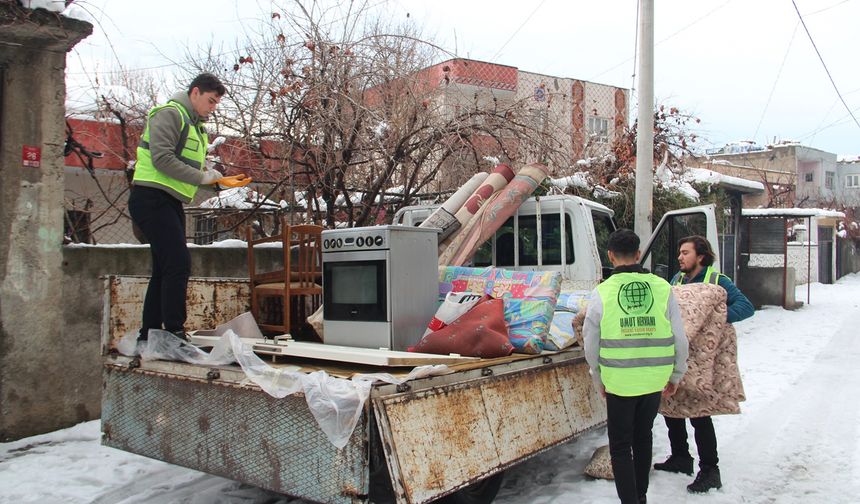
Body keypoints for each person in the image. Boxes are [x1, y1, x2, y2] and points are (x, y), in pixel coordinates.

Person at [583, 229, 689, 504]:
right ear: (639, 254)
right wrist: (677, 373)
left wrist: (598, 378)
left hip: (619, 381)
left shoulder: (602, 293)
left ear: (610, 256)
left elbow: (590, 342)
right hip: (655, 379)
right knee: (643, 437)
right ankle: (640, 495)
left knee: (620, 445)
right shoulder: (663, 288)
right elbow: (680, 336)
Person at [128, 73, 234, 342]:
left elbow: (188, 169)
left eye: (216, 104)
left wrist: (217, 182)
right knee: (178, 263)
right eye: (210, 101)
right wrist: (203, 177)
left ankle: (149, 334)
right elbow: (162, 159)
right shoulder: (170, 114)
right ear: (195, 92)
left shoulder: (196, 126)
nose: (212, 107)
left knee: (165, 268)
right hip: (151, 197)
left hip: (168, 199)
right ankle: (174, 331)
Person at [653, 235, 754, 493]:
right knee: (671, 403)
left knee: (699, 412)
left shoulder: (718, 281)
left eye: (685, 253)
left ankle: (710, 469)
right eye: (679, 253)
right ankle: (680, 457)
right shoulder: (676, 280)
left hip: (703, 360)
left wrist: (714, 320)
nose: (679, 257)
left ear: (700, 256)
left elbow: (746, 306)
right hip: (680, 353)